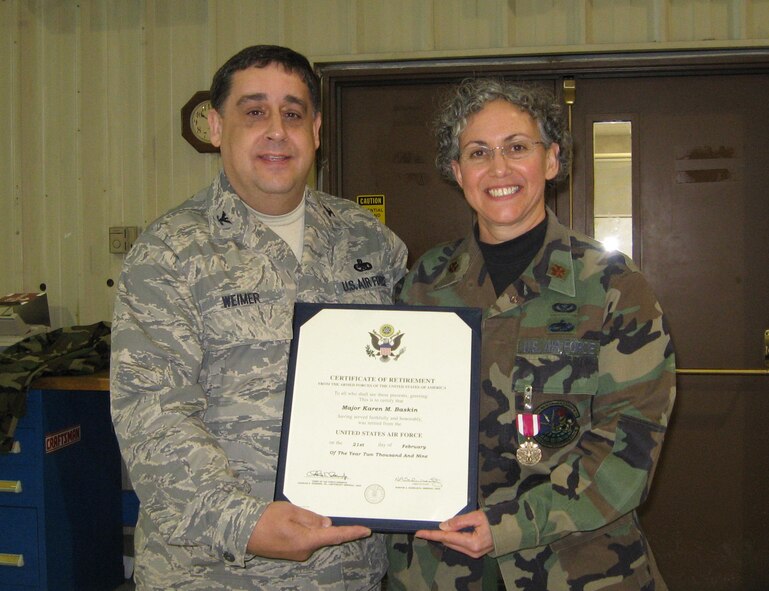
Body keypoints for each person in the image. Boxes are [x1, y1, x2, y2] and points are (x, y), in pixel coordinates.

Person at [110, 45, 407, 590]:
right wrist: (244, 522)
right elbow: (151, 415)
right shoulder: (171, 252)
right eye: (254, 111)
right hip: (214, 570)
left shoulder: (367, 240)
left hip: (347, 569)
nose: (276, 130)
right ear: (218, 126)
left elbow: (417, 380)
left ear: (316, 130)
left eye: (293, 113)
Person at [387, 78, 676, 590]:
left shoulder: (613, 287)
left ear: (551, 161)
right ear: (457, 172)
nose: (499, 169)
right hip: (441, 570)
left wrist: (509, 528)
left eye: (517, 148)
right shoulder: (426, 281)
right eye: (479, 153)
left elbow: (626, 452)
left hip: (578, 567)